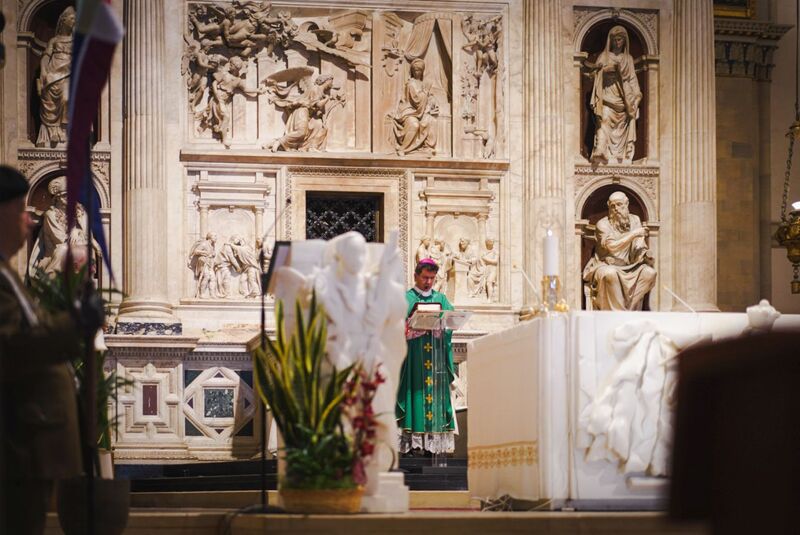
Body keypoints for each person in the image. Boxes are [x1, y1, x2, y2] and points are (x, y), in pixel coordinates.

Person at [0, 166, 82, 535]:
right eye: (21, 212)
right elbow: (14, 346)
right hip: (17, 446)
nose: (29, 223)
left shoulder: (8, 276)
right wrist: (74, 323)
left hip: (30, 449)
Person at [396, 258, 456, 455]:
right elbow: (394, 326)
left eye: (431, 278)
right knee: (415, 394)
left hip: (435, 359)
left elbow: (451, 323)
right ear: (415, 276)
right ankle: (413, 445)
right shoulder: (406, 298)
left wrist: (443, 330)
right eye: (424, 277)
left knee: (434, 397)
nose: (428, 282)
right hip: (413, 359)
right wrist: (408, 329)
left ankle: (433, 446)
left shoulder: (442, 299)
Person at [582, 191, 656, 310]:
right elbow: (612, 247)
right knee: (610, 273)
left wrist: (645, 256)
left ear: (627, 204)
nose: (616, 208)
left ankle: (626, 311)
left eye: (619, 204)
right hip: (604, 265)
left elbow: (638, 246)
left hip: (630, 267)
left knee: (650, 273)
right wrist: (633, 234)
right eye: (613, 206)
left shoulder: (635, 220)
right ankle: (619, 314)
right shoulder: (602, 224)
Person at [585, 25, 642, 165]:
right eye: (616, 39)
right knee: (603, 120)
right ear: (610, 40)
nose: (618, 43)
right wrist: (605, 71)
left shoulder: (628, 59)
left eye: (621, 40)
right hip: (607, 98)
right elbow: (593, 75)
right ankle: (601, 150)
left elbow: (633, 80)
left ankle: (622, 155)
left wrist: (637, 97)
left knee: (626, 122)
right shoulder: (604, 57)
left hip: (624, 102)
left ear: (625, 41)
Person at [36, 7, 75, 147]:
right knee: (51, 100)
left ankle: (65, 131)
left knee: (67, 98)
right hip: (53, 73)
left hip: (69, 72)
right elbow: (46, 57)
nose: (74, 21)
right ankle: (53, 131)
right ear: (63, 20)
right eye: (71, 18)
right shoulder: (54, 40)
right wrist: (43, 72)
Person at [391, 58, 439, 156]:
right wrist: (425, 92)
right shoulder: (411, 83)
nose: (417, 72)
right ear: (412, 71)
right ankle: (403, 149)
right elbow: (416, 100)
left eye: (419, 70)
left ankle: (427, 147)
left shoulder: (423, 84)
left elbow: (430, 97)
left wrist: (433, 103)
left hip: (421, 112)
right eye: (415, 70)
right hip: (409, 112)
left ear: (422, 72)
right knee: (414, 125)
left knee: (431, 121)